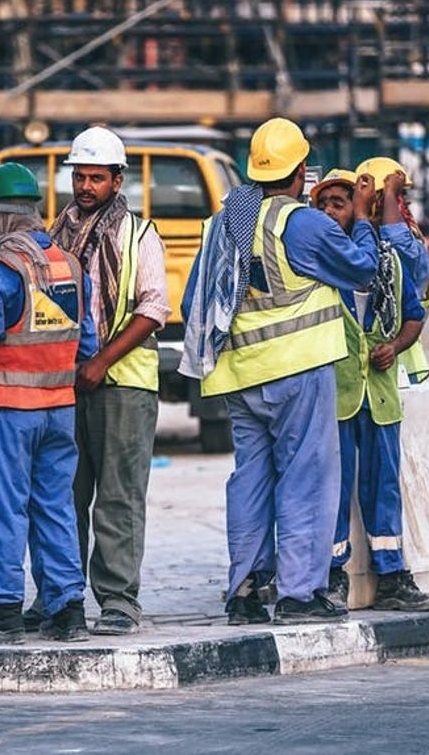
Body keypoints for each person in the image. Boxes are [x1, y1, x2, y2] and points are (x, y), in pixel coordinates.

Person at [180, 119, 380, 626]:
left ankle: (245, 591)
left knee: (250, 480)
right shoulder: (303, 223)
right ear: (301, 173)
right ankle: (297, 593)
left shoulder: (227, 222)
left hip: (239, 375)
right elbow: (360, 269)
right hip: (299, 368)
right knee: (306, 479)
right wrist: (359, 216)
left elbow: (195, 300)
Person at [0, 163, 98, 645]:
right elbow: (85, 345)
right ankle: (67, 609)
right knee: (55, 506)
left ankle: (0, 608)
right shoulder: (69, 264)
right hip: (59, 410)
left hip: (8, 409)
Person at [44, 127, 170, 636]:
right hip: (66, 382)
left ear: (118, 182)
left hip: (122, 384)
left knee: (118, 495)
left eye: (97, 177)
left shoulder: (140, 236)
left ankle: (118, 600)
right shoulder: (55, 238)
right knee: (64, 495)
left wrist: (99, 362)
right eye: (80, 175)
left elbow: (153, 309)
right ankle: (62, 596)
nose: (86, 186)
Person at [309, 170, 429, 612]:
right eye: (323, 205)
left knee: (383, 486)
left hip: (379, 398)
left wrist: (395, 346)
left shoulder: (389, 265)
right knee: (334, 489)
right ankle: (331, 575)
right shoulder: (318, 266)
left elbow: (414, 317)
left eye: (339, 205)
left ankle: (392, 576)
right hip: (337, 396)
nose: (329, 213)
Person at [355, 158, 429, 385]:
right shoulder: (360, 246)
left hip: (400, 365)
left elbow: (397, 243)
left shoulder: (414, 251)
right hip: (365, 368)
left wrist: (389, 195)